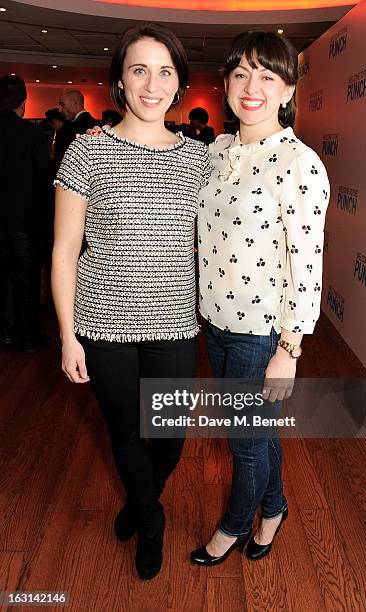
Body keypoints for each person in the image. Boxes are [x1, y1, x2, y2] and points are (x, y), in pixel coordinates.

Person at [51, 24, 211, 581]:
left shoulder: (200, 161)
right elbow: (65, 250)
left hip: (173, 324)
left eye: (165, 71)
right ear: (119, 80)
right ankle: (150, 519)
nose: (152, 83)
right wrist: (69, 334)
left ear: (179, 85)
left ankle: (140, 500)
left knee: (167, 440)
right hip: (102, 324)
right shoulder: (87, 150)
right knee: (124, 432)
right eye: (139, 69)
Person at [190, 30, 330, 566]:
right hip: (215, 319)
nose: (253, 87)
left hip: (259, 330)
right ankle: (274, 508)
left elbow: (306, 261)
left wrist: (288, 348)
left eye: (268, 76)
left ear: (288, 88)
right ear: (225, 84)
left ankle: (232, 527)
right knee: (256, 432)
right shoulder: (218, 150)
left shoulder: (299, 163)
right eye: (242, 74)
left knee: (243, 442)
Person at [0, 75, 52, 352]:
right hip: (23, 222)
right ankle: (29, 338)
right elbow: (45, 178)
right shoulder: (31, 134)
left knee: (4, 280)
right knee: (27, 281)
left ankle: (6, 331)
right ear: (23, 103)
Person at [45, 107, 74, 172]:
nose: (52, 128)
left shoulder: (63, 133)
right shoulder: (69, 128)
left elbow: (59, 155)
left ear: (55, 121)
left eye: (51, 125)